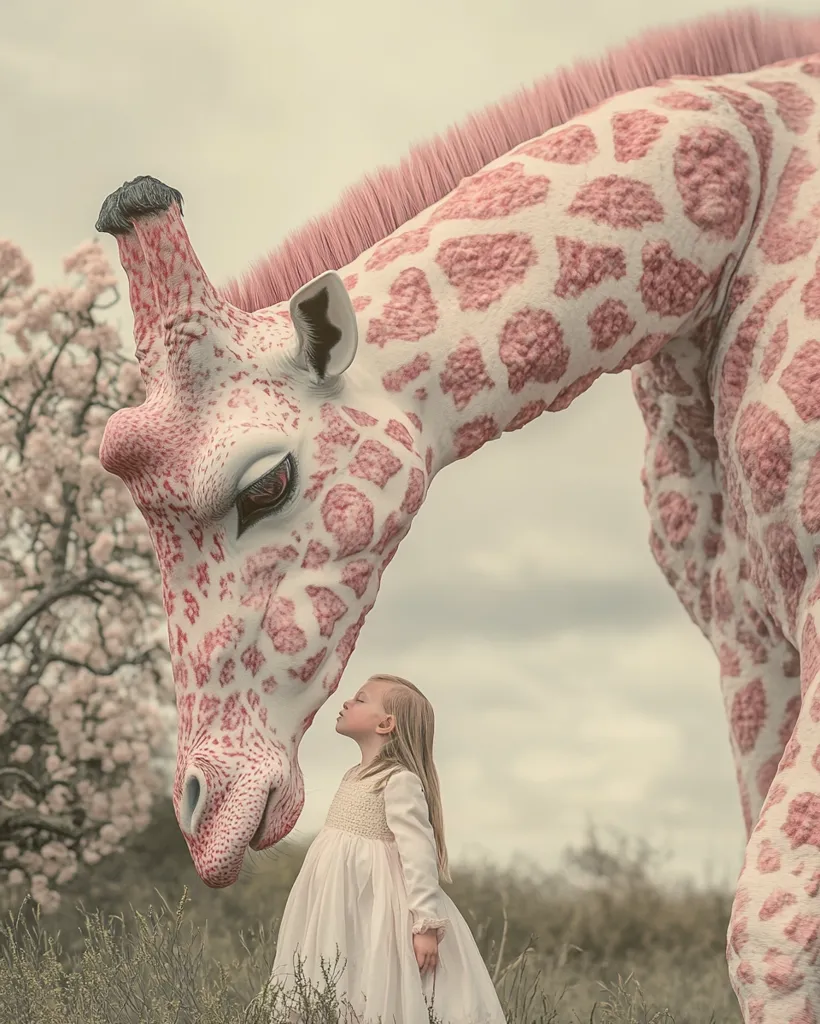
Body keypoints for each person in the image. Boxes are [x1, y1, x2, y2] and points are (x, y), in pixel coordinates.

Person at [267, 672, 508, 1024]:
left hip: (378, 904)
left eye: (361, 699)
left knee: (378, 978)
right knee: (338, 971)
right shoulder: (354, 775)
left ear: (386, 724)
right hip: (339, 900)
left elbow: (418, 853)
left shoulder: (398, 781)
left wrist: (425, 924)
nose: (347, 701)